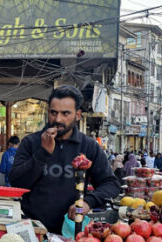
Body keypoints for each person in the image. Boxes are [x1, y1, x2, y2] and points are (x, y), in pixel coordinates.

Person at [8, 85, 120, 233]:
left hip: (72, 231)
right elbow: (16, 182)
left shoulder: (88, 146)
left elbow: (111, 184)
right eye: (53, 113)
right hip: (33, 229)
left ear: (78, 115)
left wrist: (87, 202)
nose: (58, 119)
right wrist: (43, 153)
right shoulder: (31, 142)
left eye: (65, 113)